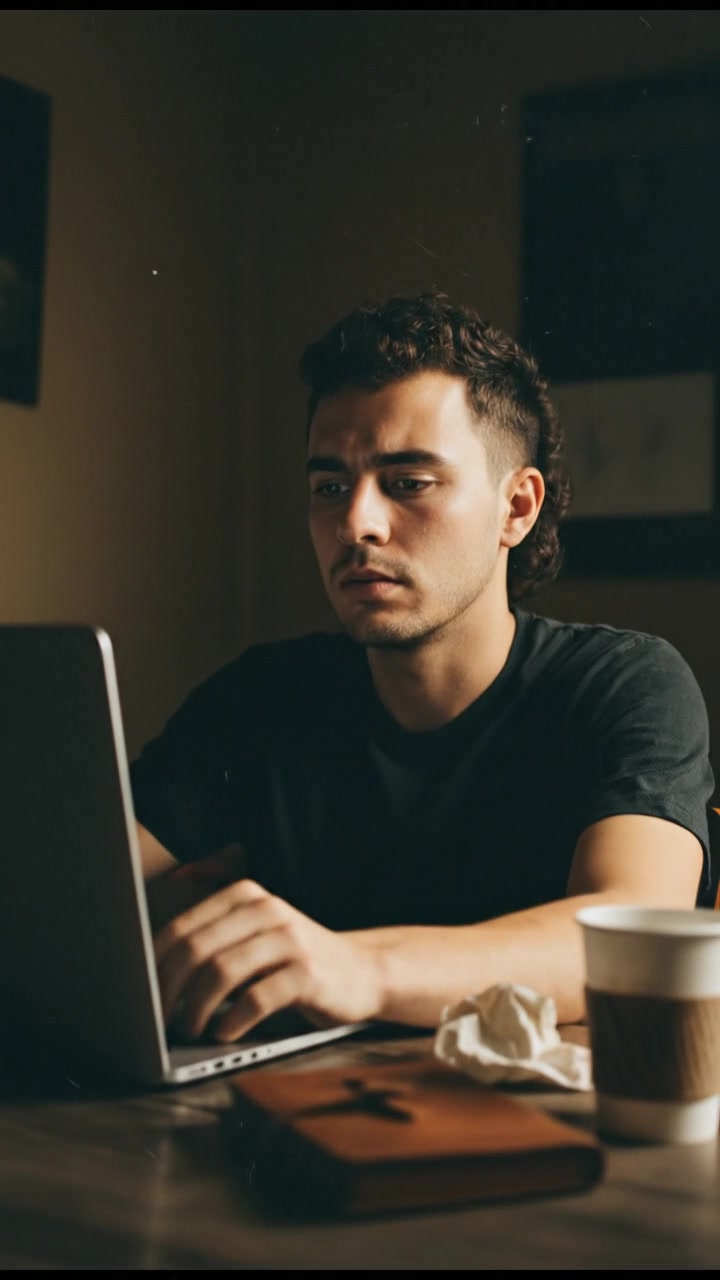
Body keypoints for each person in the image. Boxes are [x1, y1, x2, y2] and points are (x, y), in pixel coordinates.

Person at [131, 291, 714, 1045]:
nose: (355, 523)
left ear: (517, 508)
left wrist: (355, 969)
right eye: (329, 487)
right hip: (295, 1119)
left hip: (544, 1135)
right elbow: (76, 880)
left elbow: (636, 938)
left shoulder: (622, 684)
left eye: (409, 483)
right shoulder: (263, 696)